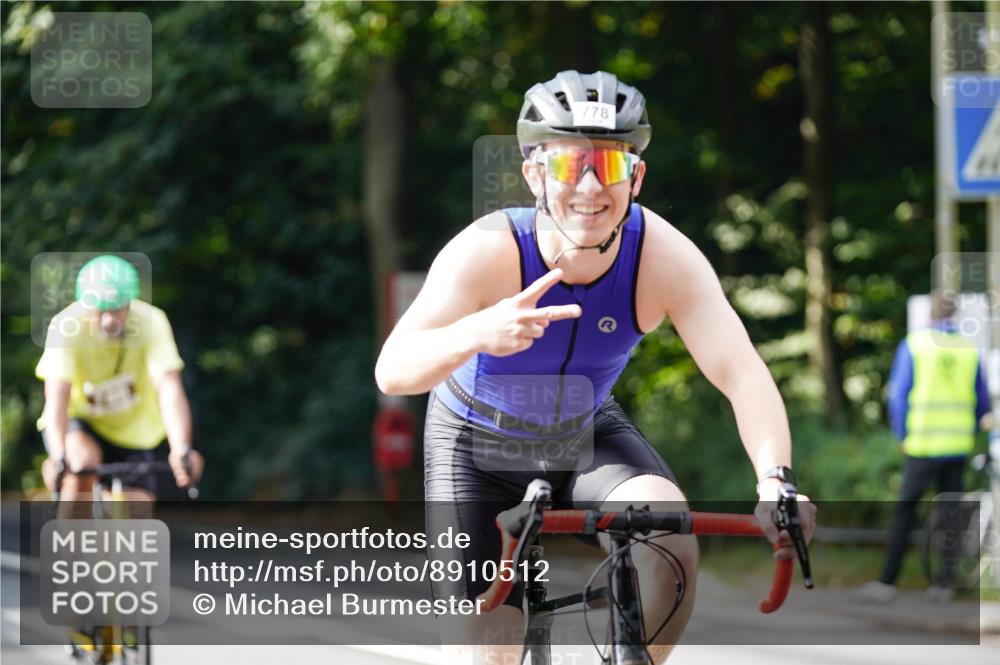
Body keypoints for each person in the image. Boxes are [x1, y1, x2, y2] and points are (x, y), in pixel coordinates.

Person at [375, 70, 816, 664]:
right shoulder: (486, 249)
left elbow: (740, 372)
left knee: (671, 538)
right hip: (474, 444)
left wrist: (775, 481)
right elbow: (393, 371)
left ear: (636, 177)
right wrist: (477, 331)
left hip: (583, 431)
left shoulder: (665, 257)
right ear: (534, 174)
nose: (587, 186)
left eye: (607, 166)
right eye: (567, 164)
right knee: (491, 649)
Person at [856, 290, 989, 604]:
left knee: (905, 513)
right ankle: (944, 583)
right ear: (955, 314)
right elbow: (981, 401)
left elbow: (898, 396)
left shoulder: (915, 345)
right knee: (951, 513)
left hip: (921, 445)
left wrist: (902, 434)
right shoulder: (968, 350)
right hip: (957, 446)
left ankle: (888, 582)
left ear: (929, 313)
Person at [37, 254, 204, 503]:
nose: (108, 320)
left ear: (129, 303)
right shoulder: (66, 326)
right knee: (80, 467)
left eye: (116, 309)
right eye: (99, 311)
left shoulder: (151, 322)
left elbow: (169, 388)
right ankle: (71, 535)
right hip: (83, 422)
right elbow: (57, 399)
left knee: (139, 510)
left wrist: (181, 448)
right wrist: (59, 455)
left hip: (134, 430)